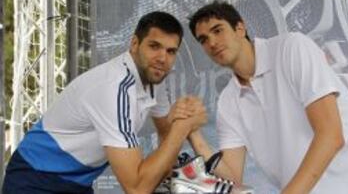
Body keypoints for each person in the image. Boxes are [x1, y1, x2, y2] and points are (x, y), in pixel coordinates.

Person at [2, 11, 207, 194]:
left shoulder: (154, 77)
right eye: (154, 46)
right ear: (134, 44)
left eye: (171, 51)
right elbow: (136, 188)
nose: (162, 58)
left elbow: (165, 133)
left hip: (76, 182)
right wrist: (184, 126)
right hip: (35, 178)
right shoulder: (115, 87)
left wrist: (169, 173)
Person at [187, 1, 348, 194]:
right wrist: (194, 134)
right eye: (203, 39)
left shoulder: (292, 47)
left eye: (218, 30)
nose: (211, 43)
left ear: (240, 28)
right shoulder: (228, 101)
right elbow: (233, 179)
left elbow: (331, 136)